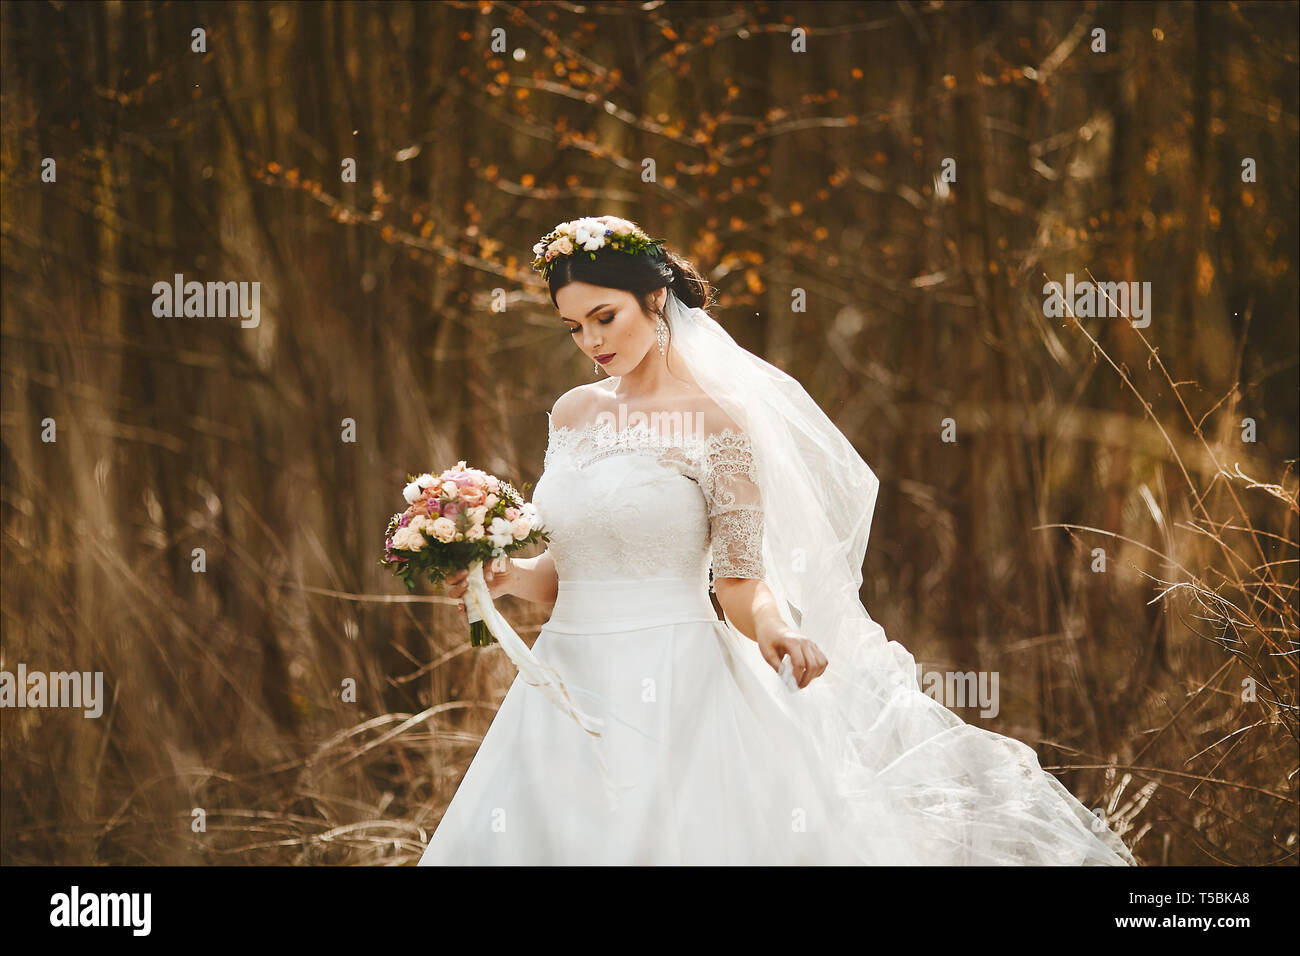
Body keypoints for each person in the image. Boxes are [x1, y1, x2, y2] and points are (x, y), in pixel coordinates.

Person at [417, 215, 1138, 865]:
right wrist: (506, 575)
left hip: (676, 684)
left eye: (603, 317)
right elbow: (570, 568)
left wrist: (776, 629)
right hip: (565, 687)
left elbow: (738, 578)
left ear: (654, 299)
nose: (592, 341)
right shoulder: (572, 413)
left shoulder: (718, 425)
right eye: (574, 327)